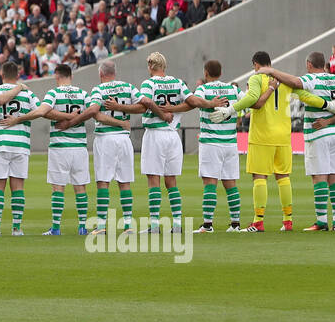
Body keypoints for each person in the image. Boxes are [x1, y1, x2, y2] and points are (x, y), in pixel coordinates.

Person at [210, 50, 332, 232]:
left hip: (262, 135)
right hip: (283, 136)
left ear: (256, 64)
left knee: (259, 177)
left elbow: (252, 99)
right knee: (283, 177)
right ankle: (287, 221)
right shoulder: (283, 79)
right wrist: (327, 105)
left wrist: (230, 110)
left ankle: (258, 221)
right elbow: (306, 96)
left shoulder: (257, 78)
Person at [257, 52, 335, 230]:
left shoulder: (311, 79)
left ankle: (322, 221)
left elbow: (294, 82)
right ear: (324, 64)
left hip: (318, 132)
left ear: (309, 64)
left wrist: (271, 71)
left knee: (319, 176)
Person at [7, 63, 99, 235]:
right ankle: (82, 227)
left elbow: (41, 111)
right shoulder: (83, 93)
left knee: (58, 187)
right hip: (79, 146)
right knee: (80, 187)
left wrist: (18, 119)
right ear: (70, 75)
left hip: (60, 146)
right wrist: (74, 119)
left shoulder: (54, 93)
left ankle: (56, 227)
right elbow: (93, 110)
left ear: (57, 76)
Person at [128, 52, 189, 232]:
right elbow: (191, 102)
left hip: (155, 134)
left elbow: (145, 102)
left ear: (151, 67)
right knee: (172, 181)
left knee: (153, 180)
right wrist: (173, 110)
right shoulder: (177, 82)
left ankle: (154, 224)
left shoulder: (149, 83)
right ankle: (177, 224)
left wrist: (162, 113)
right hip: (173, 135)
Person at [84, 59, 138, 235]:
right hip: (124, 139)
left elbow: (96, 114)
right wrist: (123, 116)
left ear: (101, 74)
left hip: (106, 138)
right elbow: (143, 105)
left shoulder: (99, 89)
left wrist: (116, 121)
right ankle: (128, 225)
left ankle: (101, 226)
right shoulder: (128, 87)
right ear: (115, 72)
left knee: (103, 182)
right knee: (124, 182)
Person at [186, 61, 240, 232]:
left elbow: (195, 101)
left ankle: (208, 224)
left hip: (210, 142)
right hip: (230, 142)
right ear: (221, 72)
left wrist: (210, 104)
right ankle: (235, 223)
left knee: (210, 182)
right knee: (231, 183)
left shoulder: (203, 89)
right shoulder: (233, 89)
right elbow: (248, 101)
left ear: (206, 72)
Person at [0, 63, 29, 236]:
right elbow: (40, 111)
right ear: (18, 74)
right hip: (21, 143)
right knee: (18, 186)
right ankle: (17, 228)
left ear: (1, 73)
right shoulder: (26, 91)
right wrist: (21, 118)